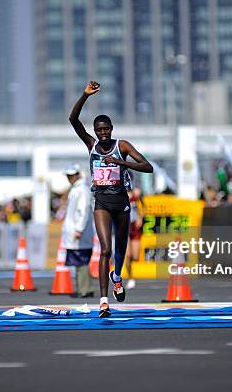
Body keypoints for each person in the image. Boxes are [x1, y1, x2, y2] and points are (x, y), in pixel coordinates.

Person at [69, 80, 153, 317]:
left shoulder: (122, 146)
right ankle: (104, 301)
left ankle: (117, 276)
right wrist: (85, 96)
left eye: (106, 129)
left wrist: (121, 162)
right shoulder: (92, 145)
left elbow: (147, 167)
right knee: (105, 249)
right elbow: (73, 121)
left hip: (122, 202)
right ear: (95, 131)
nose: (103, 133)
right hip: (102, 202)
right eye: (99, 130)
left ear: (112, 128)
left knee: (120, 250)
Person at [62, 163, 95, 298]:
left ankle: (85, 289)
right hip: (74, 232)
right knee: (77, 262)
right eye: (68, 176)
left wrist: (79, 229)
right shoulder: (76, 189)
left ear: (77, 174)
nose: (69, 178)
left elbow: (83, 210)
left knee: (81, 261)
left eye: (72, 175)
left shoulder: (82, 190)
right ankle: (82, 288)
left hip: (79, 232)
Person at [125, 188, 145, 290]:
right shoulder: (119, 194)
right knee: (128, 255)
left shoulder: (136, 195)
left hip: (134, 227)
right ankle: (130, 277)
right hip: (124, 227)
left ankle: (132, 272)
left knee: (135, 256)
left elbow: (142, 207)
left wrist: (141, 218)